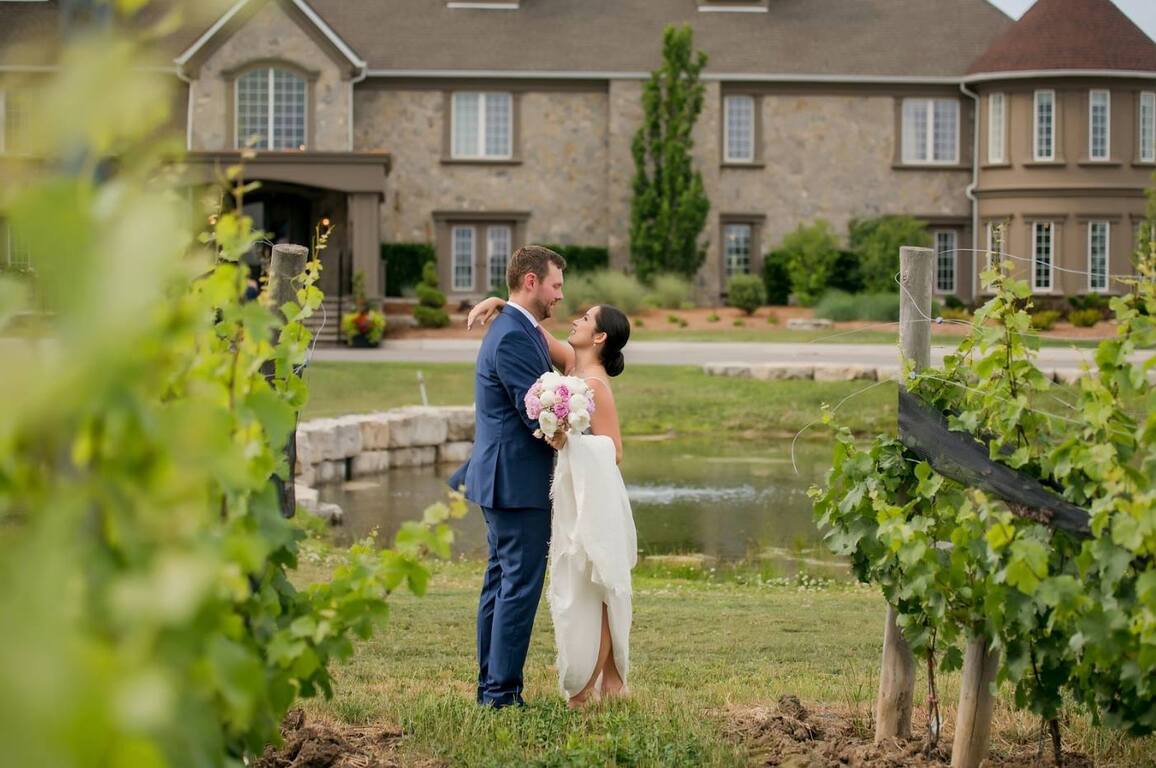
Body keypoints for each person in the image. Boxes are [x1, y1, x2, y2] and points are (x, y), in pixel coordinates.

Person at [467, 294, 635, 708]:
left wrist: (568, 442)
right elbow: (531, 325)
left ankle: (595, 684)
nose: (574, 318)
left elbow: (613, 449)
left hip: (593, 494)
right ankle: (603, 681)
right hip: (566, 490)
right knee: (575, 582)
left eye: (585, 318)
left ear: (598, 337)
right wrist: (500, 302)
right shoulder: (570, 363)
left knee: (595, 582)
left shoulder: (596, 384)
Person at [447, 245, 566, 709]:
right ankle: (500, 694)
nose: (560, 295)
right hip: (515, 483)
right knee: (517, 585)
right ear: (532, 282)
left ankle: (491, 688)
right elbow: (535, 411)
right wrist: (568, 430)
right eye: (556, 285)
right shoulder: (514, 335)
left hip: (505, 480)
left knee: (501, 581)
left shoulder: (517, 324)